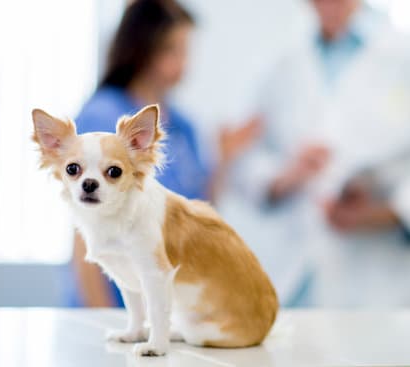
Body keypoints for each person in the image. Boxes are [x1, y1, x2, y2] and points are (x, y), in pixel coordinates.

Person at [70, 0, 261, 307]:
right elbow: (85, 234)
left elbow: (196, 212)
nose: (183, 64)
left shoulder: (183, 127)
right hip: (112, 304)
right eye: (173, 50)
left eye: (186, 51)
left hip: (163, 304)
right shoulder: (103, 117)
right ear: (143, 48)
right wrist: (104, 321)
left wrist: (224, 159)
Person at [232, 0, 410, 307]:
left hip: (379, 283)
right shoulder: (283, 59)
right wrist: (284, 176)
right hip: (297, 278)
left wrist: (383, 214)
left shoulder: (400, 54)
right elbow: (245, 158)